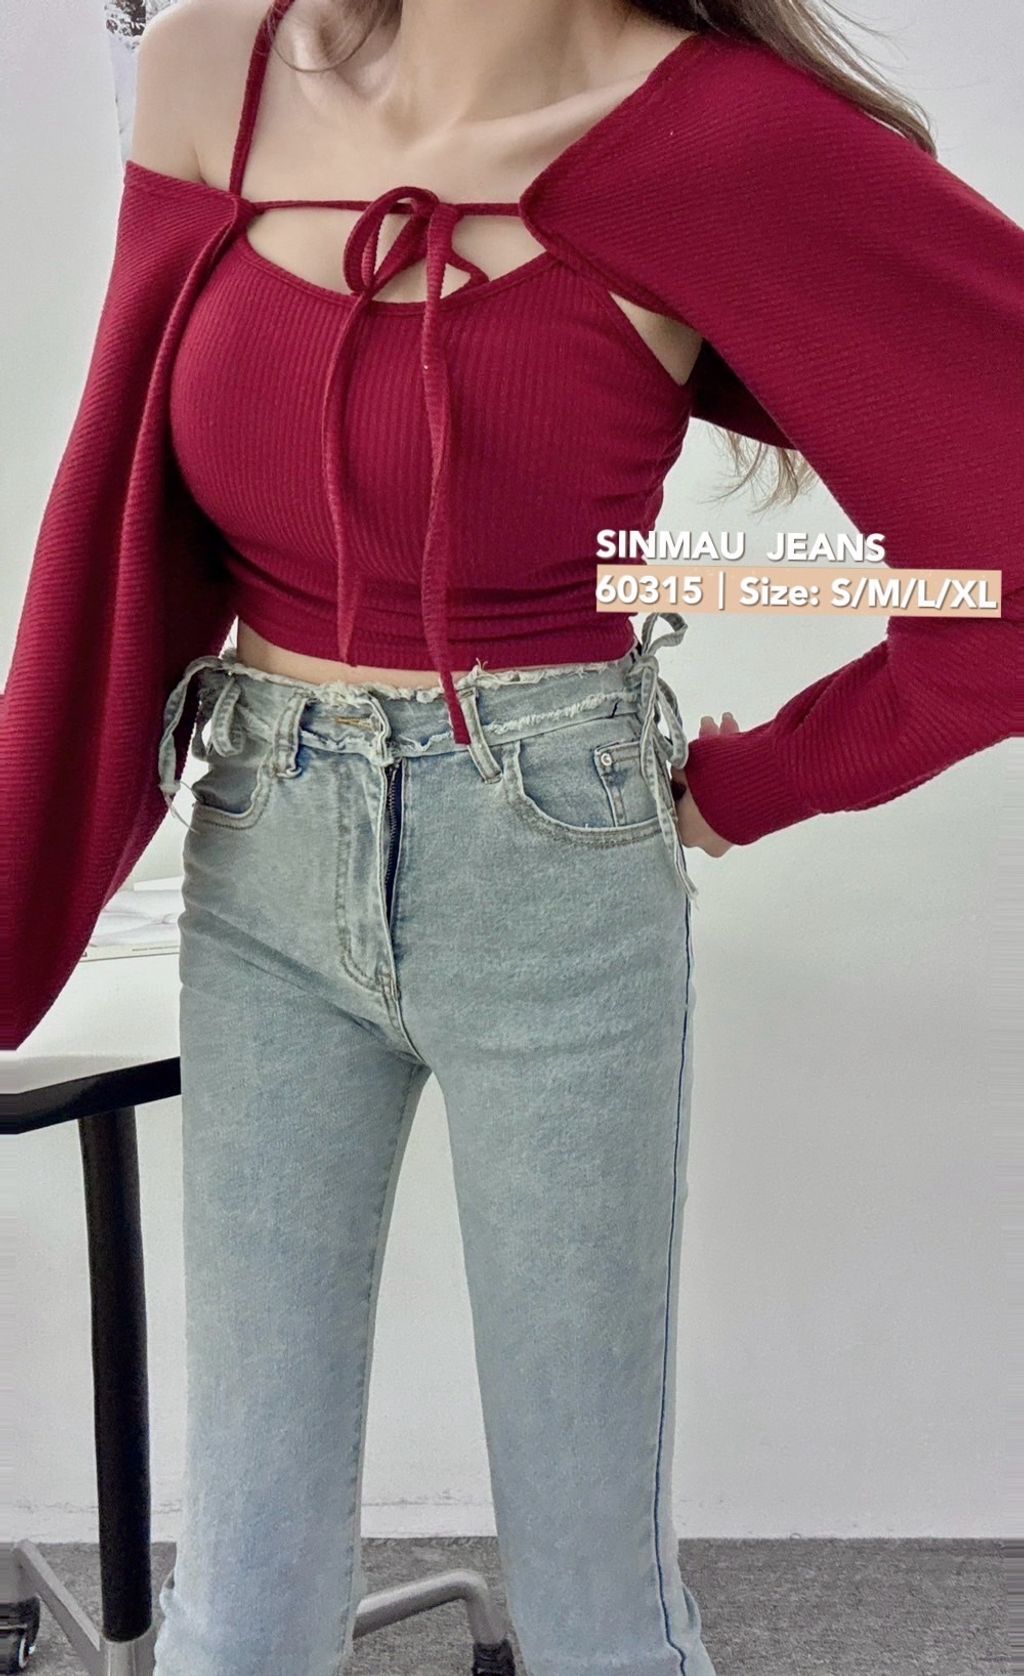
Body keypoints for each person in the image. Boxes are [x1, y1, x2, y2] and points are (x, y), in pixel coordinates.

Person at [5, 0, 1018, 1671]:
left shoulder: (722, 142)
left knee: (595, 1603)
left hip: (554, 852)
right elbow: (115, 515)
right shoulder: (216, 68)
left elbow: (998, 564)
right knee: (239, 1607)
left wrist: (753, 779)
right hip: (263, 832)